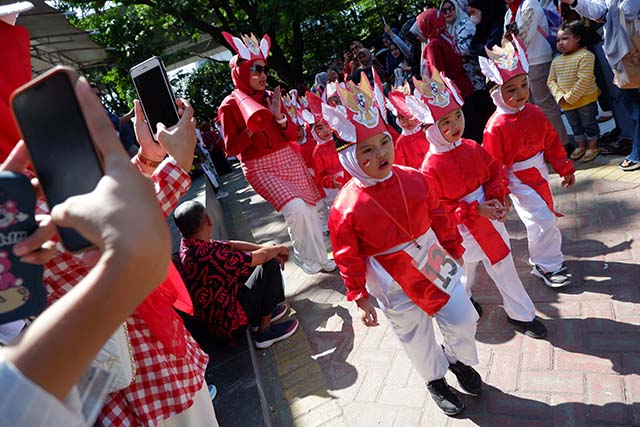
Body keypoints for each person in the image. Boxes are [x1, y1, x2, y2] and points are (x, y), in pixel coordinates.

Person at [2, 11, 216, 427]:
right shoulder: (11, 182)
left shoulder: (13, 172)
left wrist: (149, 161)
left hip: (135, 369)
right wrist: (176, 164)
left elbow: (86, 208)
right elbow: (101, 239)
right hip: (137, 387)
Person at [325, 76, 481, 416]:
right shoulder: (345, 207)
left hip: (432, 254)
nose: (381, 153)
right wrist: (359, 295)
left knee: (463, 315)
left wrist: (453, 244)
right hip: (389, 274)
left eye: (384, 142)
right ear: (350, 156)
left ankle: (456, 359)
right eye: (367, 149)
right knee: (414, 332)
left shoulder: (413, 177)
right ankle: (434, 378)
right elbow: (346, 255)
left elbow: (438, 214)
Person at [415, 70, 546, 338]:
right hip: (459, 232)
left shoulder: (472, 147)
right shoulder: (428, 168)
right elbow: (437, 209)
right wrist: (475, 210)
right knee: (464, 271)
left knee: (503, 265)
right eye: (445, 123)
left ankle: (521, 314)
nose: (455, 125)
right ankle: (463, 303)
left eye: (457, 117)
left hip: (488, 220)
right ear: (430, 129)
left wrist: (496, 195)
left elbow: (493, 171)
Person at [218, 32, 335, 275]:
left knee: (311, 210)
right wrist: (251, 130)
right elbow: (231, 149)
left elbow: (293, 135)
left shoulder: (272, 97)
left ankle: (321, 258)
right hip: (259, 168)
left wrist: (278, 116)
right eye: (255, 70)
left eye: (264, 70)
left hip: (287, 159)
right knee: (296, 210)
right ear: (241, 73)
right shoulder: (229, 106)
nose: (262, 75)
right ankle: (305, 257)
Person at [480, 38, 576, 288]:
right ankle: (548, 265)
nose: (521, 93)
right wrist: (499, 193)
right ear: (497, 92)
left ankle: (544, 258)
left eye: (524, 85)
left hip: (539, 171)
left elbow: (552, 141)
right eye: (511, 89)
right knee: (540, 218)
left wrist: (564, 167)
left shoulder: (534, 112)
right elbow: (494, 164)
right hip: (517, 178)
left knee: (543, 214)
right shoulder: (495, 126)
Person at [174, 201, 299, 349]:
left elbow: (231, 246)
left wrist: (266, 248)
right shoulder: (208, 255)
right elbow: (261, 258)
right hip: (230, 324)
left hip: (215, 317)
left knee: (257, 260)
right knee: (269, 263)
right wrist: (277, 249)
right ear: (208, 219)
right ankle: (264, 330)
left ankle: (258, 317)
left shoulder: (189, 245)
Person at [561, 0, 640, 171]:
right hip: (621, 50)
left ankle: (636, 152)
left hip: (633, 45)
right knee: (628, 101)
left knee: (633, 104)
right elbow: (598, 10)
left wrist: (605, 15)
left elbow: (627, 12)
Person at [503, 0, 572, 150]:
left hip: (538, 60)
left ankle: (561, 144)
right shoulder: (509, 12)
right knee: (532, 108)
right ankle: (545, 145)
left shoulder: (529, 4)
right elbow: (505, 41)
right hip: (521, 65)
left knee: (545, 104)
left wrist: (510, 41)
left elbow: (524, 36)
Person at [416, 8, 488, 143]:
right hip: (466, 88)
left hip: (455, 93)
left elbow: (436, 74)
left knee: (470, 133)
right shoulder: (446, 36)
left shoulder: (434, 45)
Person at [547, 20, 601, 162]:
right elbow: (550, 81)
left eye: (565, 39)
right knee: (575, 125)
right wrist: (560, 97)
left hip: (585, 99)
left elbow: (585, 79)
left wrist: (570, 97)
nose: (560, 43)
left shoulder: (586, 55)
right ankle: (581, 145)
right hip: (565, 102)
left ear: (577, 38)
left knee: (589, 123)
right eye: (558, 40)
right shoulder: (556, 61)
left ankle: (593, 145)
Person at [387, 90, 430, 169]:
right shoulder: (400, 143)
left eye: (409, 116)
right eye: (402, 118)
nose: (406, 121)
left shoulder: (428, 133)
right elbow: (401, 166)